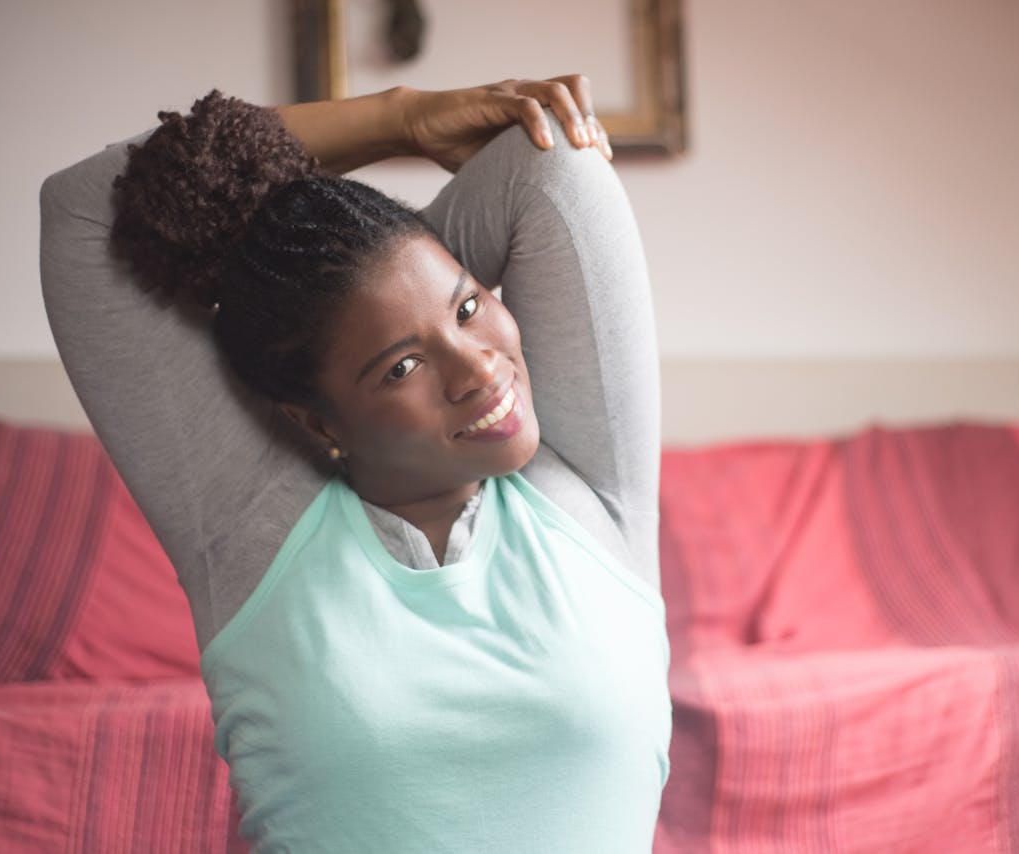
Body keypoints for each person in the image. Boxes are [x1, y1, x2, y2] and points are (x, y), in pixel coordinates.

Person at [40, 76, 671, 852]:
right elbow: (84, 206)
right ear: (311, 417)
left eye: (469, 306)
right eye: (400, 369)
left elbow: (546, 165)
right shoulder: (254, 532)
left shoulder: (588, 496)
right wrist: (394, 119)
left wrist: (369, 272)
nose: (479, 371)